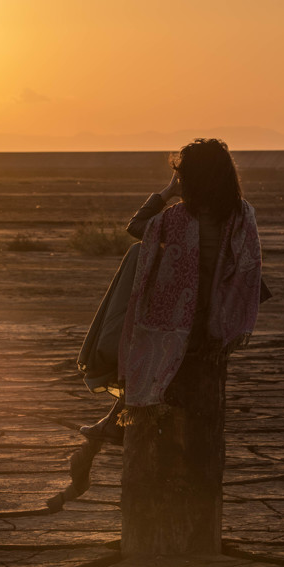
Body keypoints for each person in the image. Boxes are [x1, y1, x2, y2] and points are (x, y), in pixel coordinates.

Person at [78, 138, 268, 445]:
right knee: (140, 260)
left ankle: (118, 420)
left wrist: (167, 192)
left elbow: (136, 226)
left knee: (137, 271)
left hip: (178, 321)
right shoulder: (243, 214)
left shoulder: (178, 217)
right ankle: (114, 421)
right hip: (222, 320)